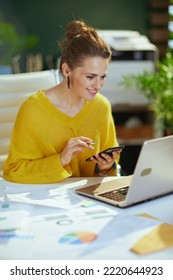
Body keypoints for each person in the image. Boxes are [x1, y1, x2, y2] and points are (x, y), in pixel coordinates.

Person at [3, 19, 122, 184]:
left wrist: (106, 167)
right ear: (67, 70)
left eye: (103, 77)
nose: (98, 85)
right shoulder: (33, 110)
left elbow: (111, 170)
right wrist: (61, 159)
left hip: (89, 205)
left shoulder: (101, 107)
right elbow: (14, 171)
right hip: (45, 204)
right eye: (90, 77)